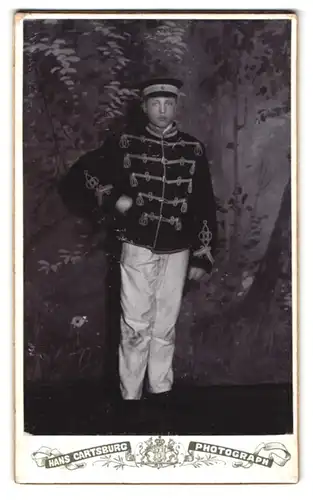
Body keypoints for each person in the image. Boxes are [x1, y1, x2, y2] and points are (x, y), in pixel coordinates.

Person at [59, 77, 217, 407]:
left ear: (176, 106)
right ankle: (130, 398)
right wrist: (114, 198)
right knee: (134, 325)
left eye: (169, 103)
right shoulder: (124, 142)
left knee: (165, 326)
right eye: (156, 103)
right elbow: (81, 176)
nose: (162, 109)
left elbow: (203, 203)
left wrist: (203, 254)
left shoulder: (192, 148)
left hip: (179, 247)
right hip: (136, 243)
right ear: (144, 106)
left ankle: (161, 394)